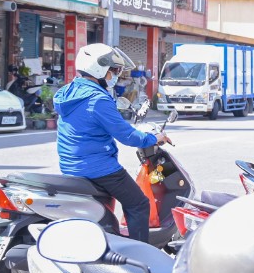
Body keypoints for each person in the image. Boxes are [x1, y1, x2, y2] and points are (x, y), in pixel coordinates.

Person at [53, 43, 170, 243]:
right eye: (113, 70)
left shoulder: (69, 91)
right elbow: (127, 136)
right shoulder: (97, 99)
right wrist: (155, 138)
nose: (115, 75)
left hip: (71, 164)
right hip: (97, 167)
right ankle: (141, 253)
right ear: (98, 69)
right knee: (139, 204)